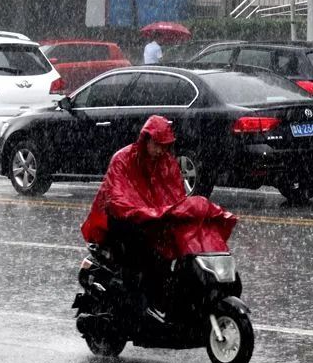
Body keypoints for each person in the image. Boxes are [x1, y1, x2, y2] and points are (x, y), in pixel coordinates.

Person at [81, 115, 236, 317]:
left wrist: (171, 214)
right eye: (157, 144)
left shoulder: (167, 164)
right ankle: (138, 304)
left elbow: (175, 197)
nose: (160, 150)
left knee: (182, 246)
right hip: (122, 220)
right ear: (145, 140)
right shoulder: (123, 159)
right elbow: (119, 201)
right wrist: (149, 213)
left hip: (155, 218)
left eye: (164, 146)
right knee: (143, 249)